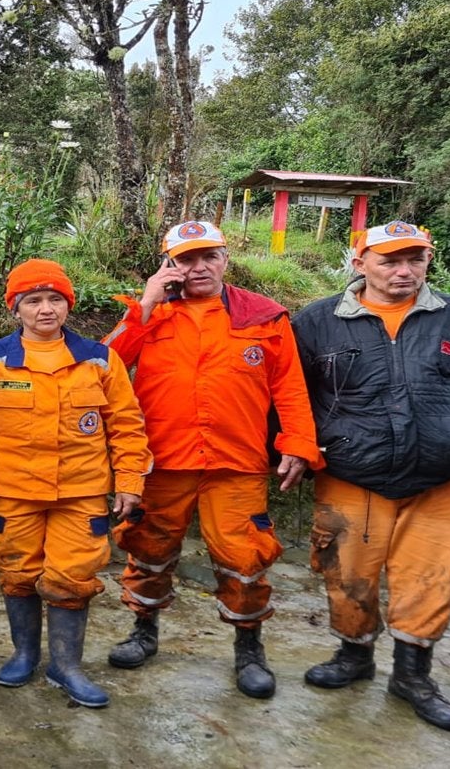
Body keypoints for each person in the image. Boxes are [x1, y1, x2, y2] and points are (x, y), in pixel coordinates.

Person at [291, 221, 450, 732]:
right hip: (351, 472)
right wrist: (291, 448)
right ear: (360, 264)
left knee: (432, 578)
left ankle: (412, 675)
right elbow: (291, 395)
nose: (405, 271)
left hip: (439, 477)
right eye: (390, 260)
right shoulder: (316, 323)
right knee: (346, 573)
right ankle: (353, 657)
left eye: (415, 260)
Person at [101, 220, 321, 699]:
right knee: (148, 548)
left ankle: (249, 648)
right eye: (185, 259)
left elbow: (290, 386)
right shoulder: (150, 314)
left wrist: (298, 445)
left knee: (245, 557)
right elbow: (102, 369)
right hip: (161, 461)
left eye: (208, 256)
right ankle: (143, 631)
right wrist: (144, 304)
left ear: (225, 258)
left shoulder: (264, 316)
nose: (198, 267)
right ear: (168, 264)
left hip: (236, 462)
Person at [0, 259, 152, 708]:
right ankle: (24, 655)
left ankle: (67, 666)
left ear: (68, 304)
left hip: (80, 495)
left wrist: (130, 480)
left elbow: (127, 425)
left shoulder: (99, 359)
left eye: (55, 299)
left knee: (73, 577)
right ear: (15, 308)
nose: (46, 309)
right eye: (34, 300)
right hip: (11, 494)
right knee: (17, 574)